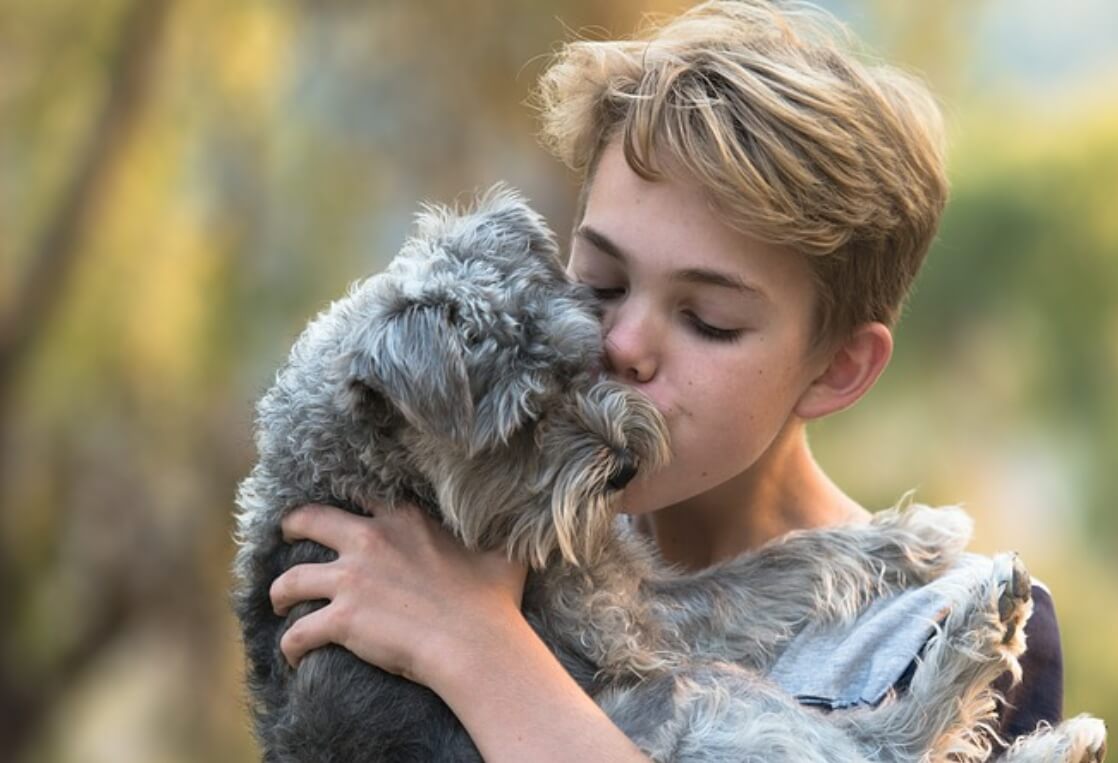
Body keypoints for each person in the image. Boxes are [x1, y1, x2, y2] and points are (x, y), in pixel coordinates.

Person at [266, 1, 1063, 761]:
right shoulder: (451, 544)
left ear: (836, 367)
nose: (621, 343)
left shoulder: (954, 629)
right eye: (602, 281)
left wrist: (482, 650)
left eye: (708, 319)